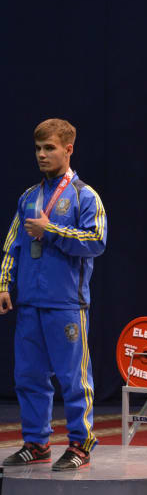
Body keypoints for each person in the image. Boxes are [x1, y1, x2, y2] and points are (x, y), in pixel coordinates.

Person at [0, 119, 107, 471]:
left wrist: (52, 230)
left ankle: (80, 445)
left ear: (68, 149)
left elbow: (97, 241)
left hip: (66, 304)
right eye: (38, 149)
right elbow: (11, 245)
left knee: (73, 379)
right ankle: (37, 443)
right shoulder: (28, 198)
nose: (42, 155)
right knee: (29, 377)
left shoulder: (85, 195)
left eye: (50, 148)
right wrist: (4, 284)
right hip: (30, 302)